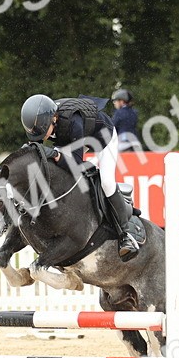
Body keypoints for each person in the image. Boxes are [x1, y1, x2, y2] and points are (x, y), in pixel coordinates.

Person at [20, 93, 141, 261]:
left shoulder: (72, 122)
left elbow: (76, 164)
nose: (42, 138)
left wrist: (55, 154)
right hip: (80, 137)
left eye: (42, 132)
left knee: (106, 182)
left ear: (53, 119)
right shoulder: (46, 118)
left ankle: (126, 234)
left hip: (103, 138)